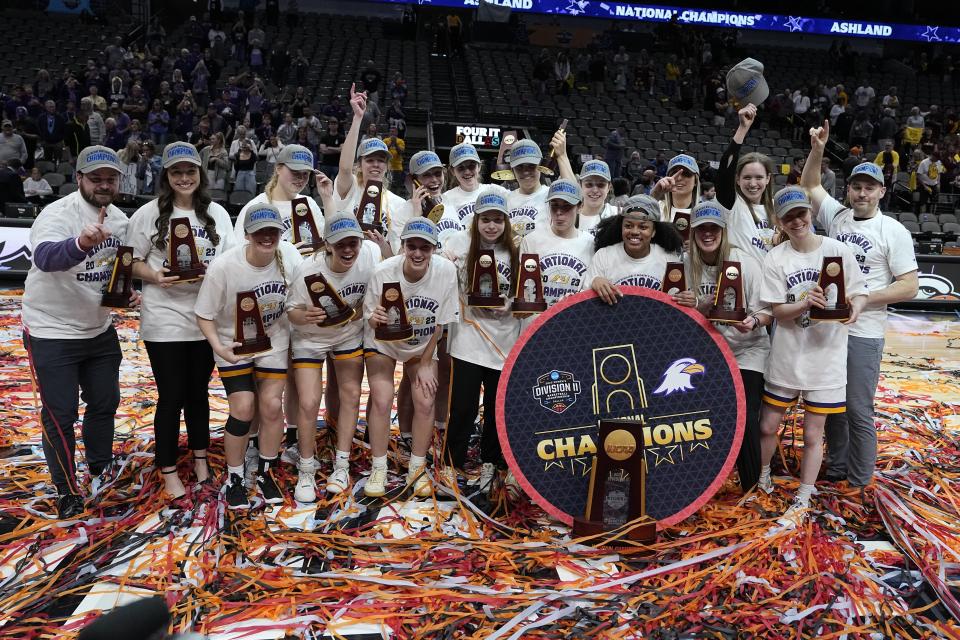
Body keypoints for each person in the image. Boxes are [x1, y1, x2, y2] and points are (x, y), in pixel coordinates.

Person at [801, 122, 918, 490]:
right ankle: (837, 469)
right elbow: (809, 185)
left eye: (870, 187)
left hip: (864, 332)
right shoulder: (836, 216)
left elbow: (910, 286)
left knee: (858, 409)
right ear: (849, 189)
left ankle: (860, 479)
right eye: (857, 186)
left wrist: (864, 298)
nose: (862, 193)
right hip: (828, 328)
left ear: (882, 191)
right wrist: (818, 149)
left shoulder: (893, 231)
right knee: (831, 405)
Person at [21, 146, 135, 519]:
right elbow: (45, 258)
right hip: (51, 330)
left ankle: (101, 471)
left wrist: (125, 291)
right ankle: (67, 489)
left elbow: (112, 271)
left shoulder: (119, 220)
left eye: (110, 179)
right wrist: (81, 243)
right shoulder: (59, 213)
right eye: (96, 178)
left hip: (98, 329)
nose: (104, 185)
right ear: (79, 179)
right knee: (61, 414)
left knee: (105, 403)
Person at [127, 142, 234, 501]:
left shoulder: (217, 213)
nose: (184, 178)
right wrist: (155, 275)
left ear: (200, 174)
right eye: (176, 172)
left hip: (205, 320)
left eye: (190, 171)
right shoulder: (148, 214)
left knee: (198, 394)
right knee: (171, 396)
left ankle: (201, 459)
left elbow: (230, 262)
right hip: (164, 318)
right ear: (166, 176)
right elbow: (130, 261)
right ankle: (168, 467)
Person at [757, 186, 867, 525]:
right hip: (788, 354)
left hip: (826, 356)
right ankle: (762, 477)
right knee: (767, 425)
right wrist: (807, 302)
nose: (797, 221)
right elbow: (777, 310)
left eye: (801, 213)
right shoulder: (776, 257)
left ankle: (804, 492)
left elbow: (860, 292)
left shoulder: (838, 251)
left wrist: (855, 310)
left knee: (812, 434)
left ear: (810, 214)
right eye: (788, 216)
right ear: (779, 221)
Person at [195, 204, 303, 508]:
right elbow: (203, 314)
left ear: (281, 233)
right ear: (246, 234)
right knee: (243, 408)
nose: (267, 237)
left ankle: (266, 471)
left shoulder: (289, 260)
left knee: (270, 406)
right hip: (234, 343)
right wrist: (218, 346)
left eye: (273, 231)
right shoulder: (224, 266)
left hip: (273, 341)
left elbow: (295, 304)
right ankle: (235, 476)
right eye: (260, 232)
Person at [675, 201, 771, 492]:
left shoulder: (745, 261)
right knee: (697, 415)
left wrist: (752, 321)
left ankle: (754, 484)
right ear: (692, 232)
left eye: (713, 228)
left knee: (745, 413)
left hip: (747, 348)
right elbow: (677, 318)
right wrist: (696, 307)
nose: (707, 234)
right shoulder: (684, 263)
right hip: (707, 352)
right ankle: (701, 483)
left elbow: (768, 311)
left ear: (724, 231)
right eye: (701, 229)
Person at [286, 211, 380, 500]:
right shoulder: (307, 270)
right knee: (309, 400)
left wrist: (365, 309)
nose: (348, 249)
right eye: (341, 244)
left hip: (348, 334)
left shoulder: (370, 255)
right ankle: (306, 468)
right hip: (310, 339)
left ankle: (341, 463)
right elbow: (292, 312)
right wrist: (306, 316)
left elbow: (378, 290)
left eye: (353, 242)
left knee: (351, 394)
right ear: (327, 244)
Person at [362, 218, 459, 497]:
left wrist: (427, 362)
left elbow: (441, 323)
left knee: (426, 400)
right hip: (383, 341)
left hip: (422, 343)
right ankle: (378, 467)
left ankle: (417, 467)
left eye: (425, 248)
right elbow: (370, 319)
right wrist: (375, 318)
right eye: (412, 246)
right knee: (381, 398)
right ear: (402, 246)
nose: (418, 253)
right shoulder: (382, 271)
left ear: (433, 249)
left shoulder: (445, 271)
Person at [442, 186, 520, 493]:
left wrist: (510, 304)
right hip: (468, 340)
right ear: (475, 220)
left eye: (497, 220)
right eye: (485, 219)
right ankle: (452, 462)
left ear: (505, 222)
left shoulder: (517, 249)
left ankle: (491, 462)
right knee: (462, 407)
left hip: (504, 341)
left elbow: (526, 291)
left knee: (495, 407)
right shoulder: (460, 242)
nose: (491, 226)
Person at [334, 84, 403, 255]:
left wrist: (381, 246)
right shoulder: (349, 189)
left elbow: (394, 258)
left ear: (387, 166)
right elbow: (344, 168)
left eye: (381, 160)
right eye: (369, 160)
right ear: (359, 165)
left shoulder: (398, 204)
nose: (375, 164)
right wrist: (358, 118)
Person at [587, 194, 683, 302]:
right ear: (621, 227)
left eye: (643, 227)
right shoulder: (604, 256)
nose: (634, 232)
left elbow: (677, 303)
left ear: (653, 231)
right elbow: (583, 302)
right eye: (628, 226)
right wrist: (594, 281)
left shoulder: (668, 259)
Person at [716, 104, 779, 262]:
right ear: (737, 179)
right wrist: (743, 129)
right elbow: (726, 166)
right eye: (747, 177)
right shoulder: (732, 204)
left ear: (768, 179)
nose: (752, 183)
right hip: (738, 280)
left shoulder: (777, 208)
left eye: (758, 177)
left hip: (771, 281)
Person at [518, 179, 594, 308]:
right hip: (535, 321)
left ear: (580, 207)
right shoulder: (531, 240)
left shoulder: (590, 243)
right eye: (554, 205)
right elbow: (524, 289)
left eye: (566, 206)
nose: (559, 212)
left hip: (571, 321)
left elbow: (588, 289)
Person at [233, 144, 324, 246]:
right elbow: (241, 251)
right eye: (295, 172)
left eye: (305, 173)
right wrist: (287, 253)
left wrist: (327, 198)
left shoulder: (309, 203)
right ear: (278, 168)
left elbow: (326, 243)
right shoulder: (255, 207)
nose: (301, 178)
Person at [506, 139, 550, 241]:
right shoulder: (505, 199)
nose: (525, 172)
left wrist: (562, 156)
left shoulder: (551, 195)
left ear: (540, 166)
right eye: (519, 167)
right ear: (512, 170)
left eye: (531, 166)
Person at [439, 142, 484, 235]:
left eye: (471, 166)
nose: (467, 172)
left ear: (479, 166)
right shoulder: (445, 199)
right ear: (452, 171)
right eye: (461, 168)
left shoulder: (495, 191)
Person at [651, 153, 701, 233]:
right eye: (674, 173)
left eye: (686, 173)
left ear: (695, 181)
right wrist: (654, 195)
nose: (679, 178)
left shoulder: (704, 211)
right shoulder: (656, 208)